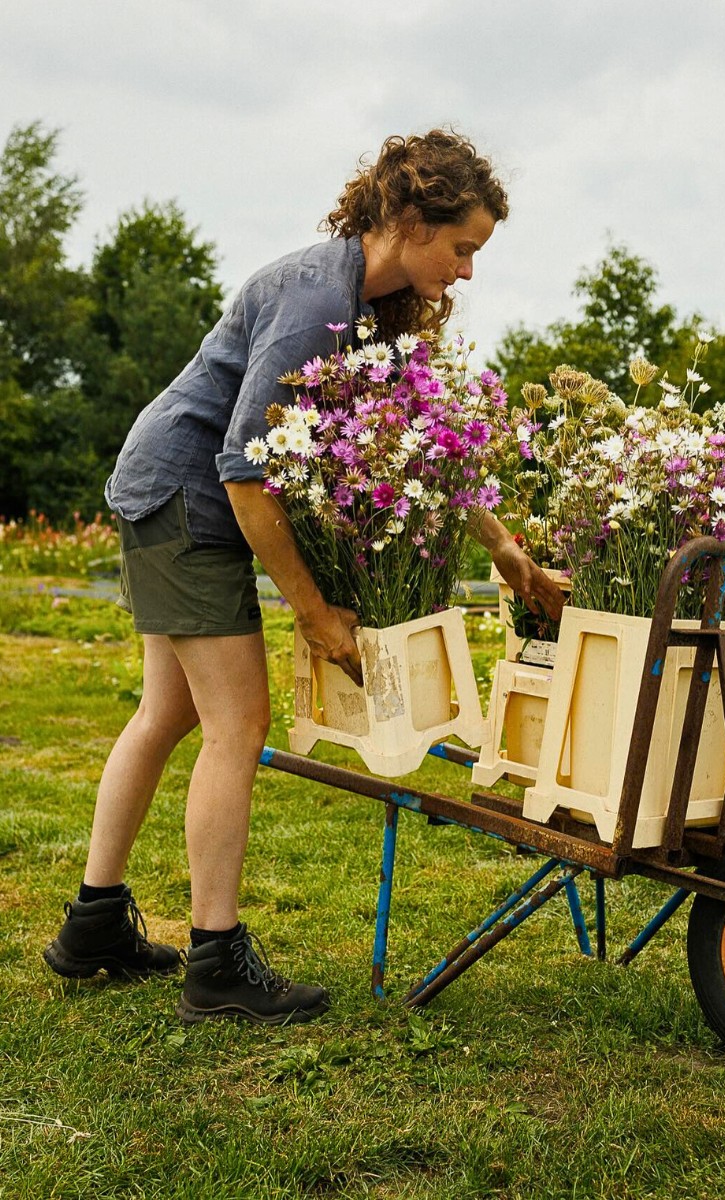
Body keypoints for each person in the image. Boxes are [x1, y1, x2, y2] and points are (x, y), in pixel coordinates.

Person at [43, 129, 565, 1026]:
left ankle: (93, 927)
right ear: (409, 219)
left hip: (173, 493)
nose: (469, 271)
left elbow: (421, 435)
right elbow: (245, 472)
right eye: (463, 247)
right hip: (186, 500)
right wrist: (316, 611)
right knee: (236, 725)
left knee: (167, 712)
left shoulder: (375, 309)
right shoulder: (315, 300)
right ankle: (215, 962)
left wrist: (505, 548)